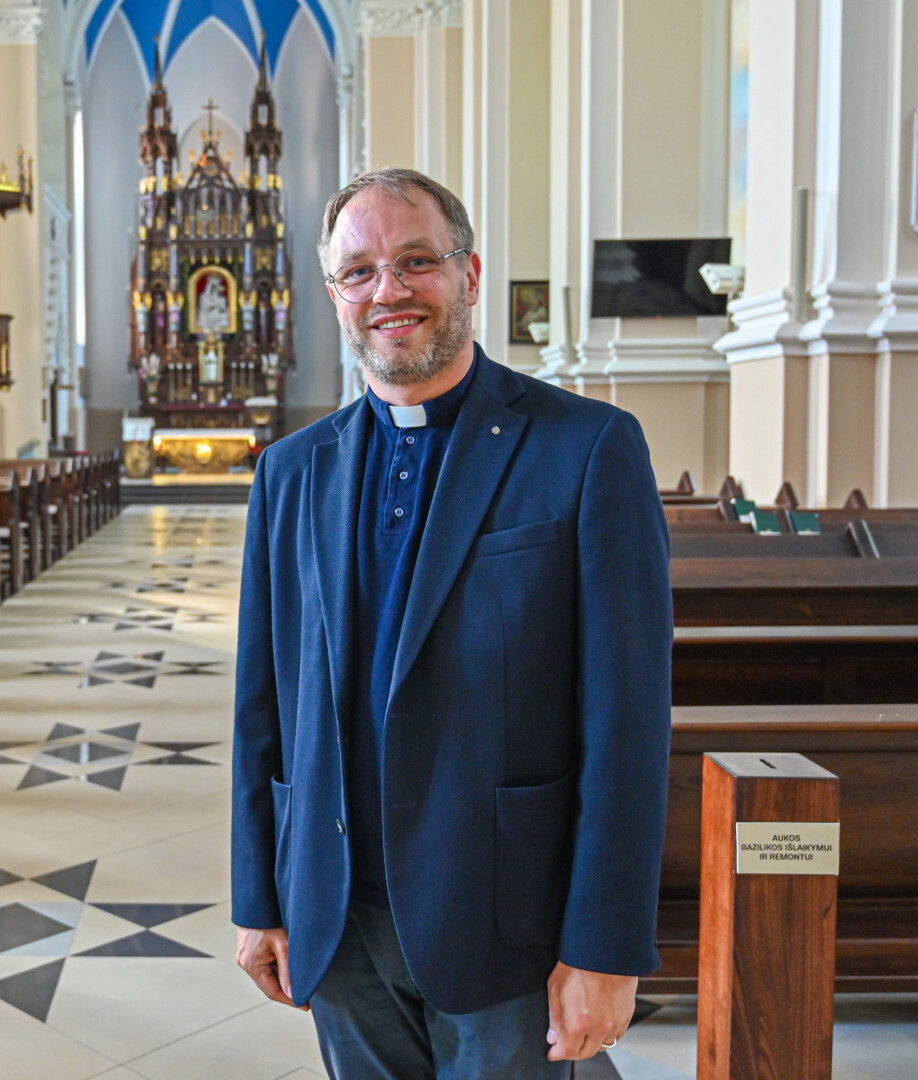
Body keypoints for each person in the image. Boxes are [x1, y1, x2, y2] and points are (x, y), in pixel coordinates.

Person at [231, 168, 672, 1078]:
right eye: (359, 272)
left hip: (507, 920)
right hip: (337, 918)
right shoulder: (289, 471)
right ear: (333, 296)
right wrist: (259, 896)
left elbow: (627, 721)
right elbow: (262, 709)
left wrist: (605, 945)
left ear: (468, 275)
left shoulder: (585, 448)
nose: (387, 291)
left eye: (416, 262)